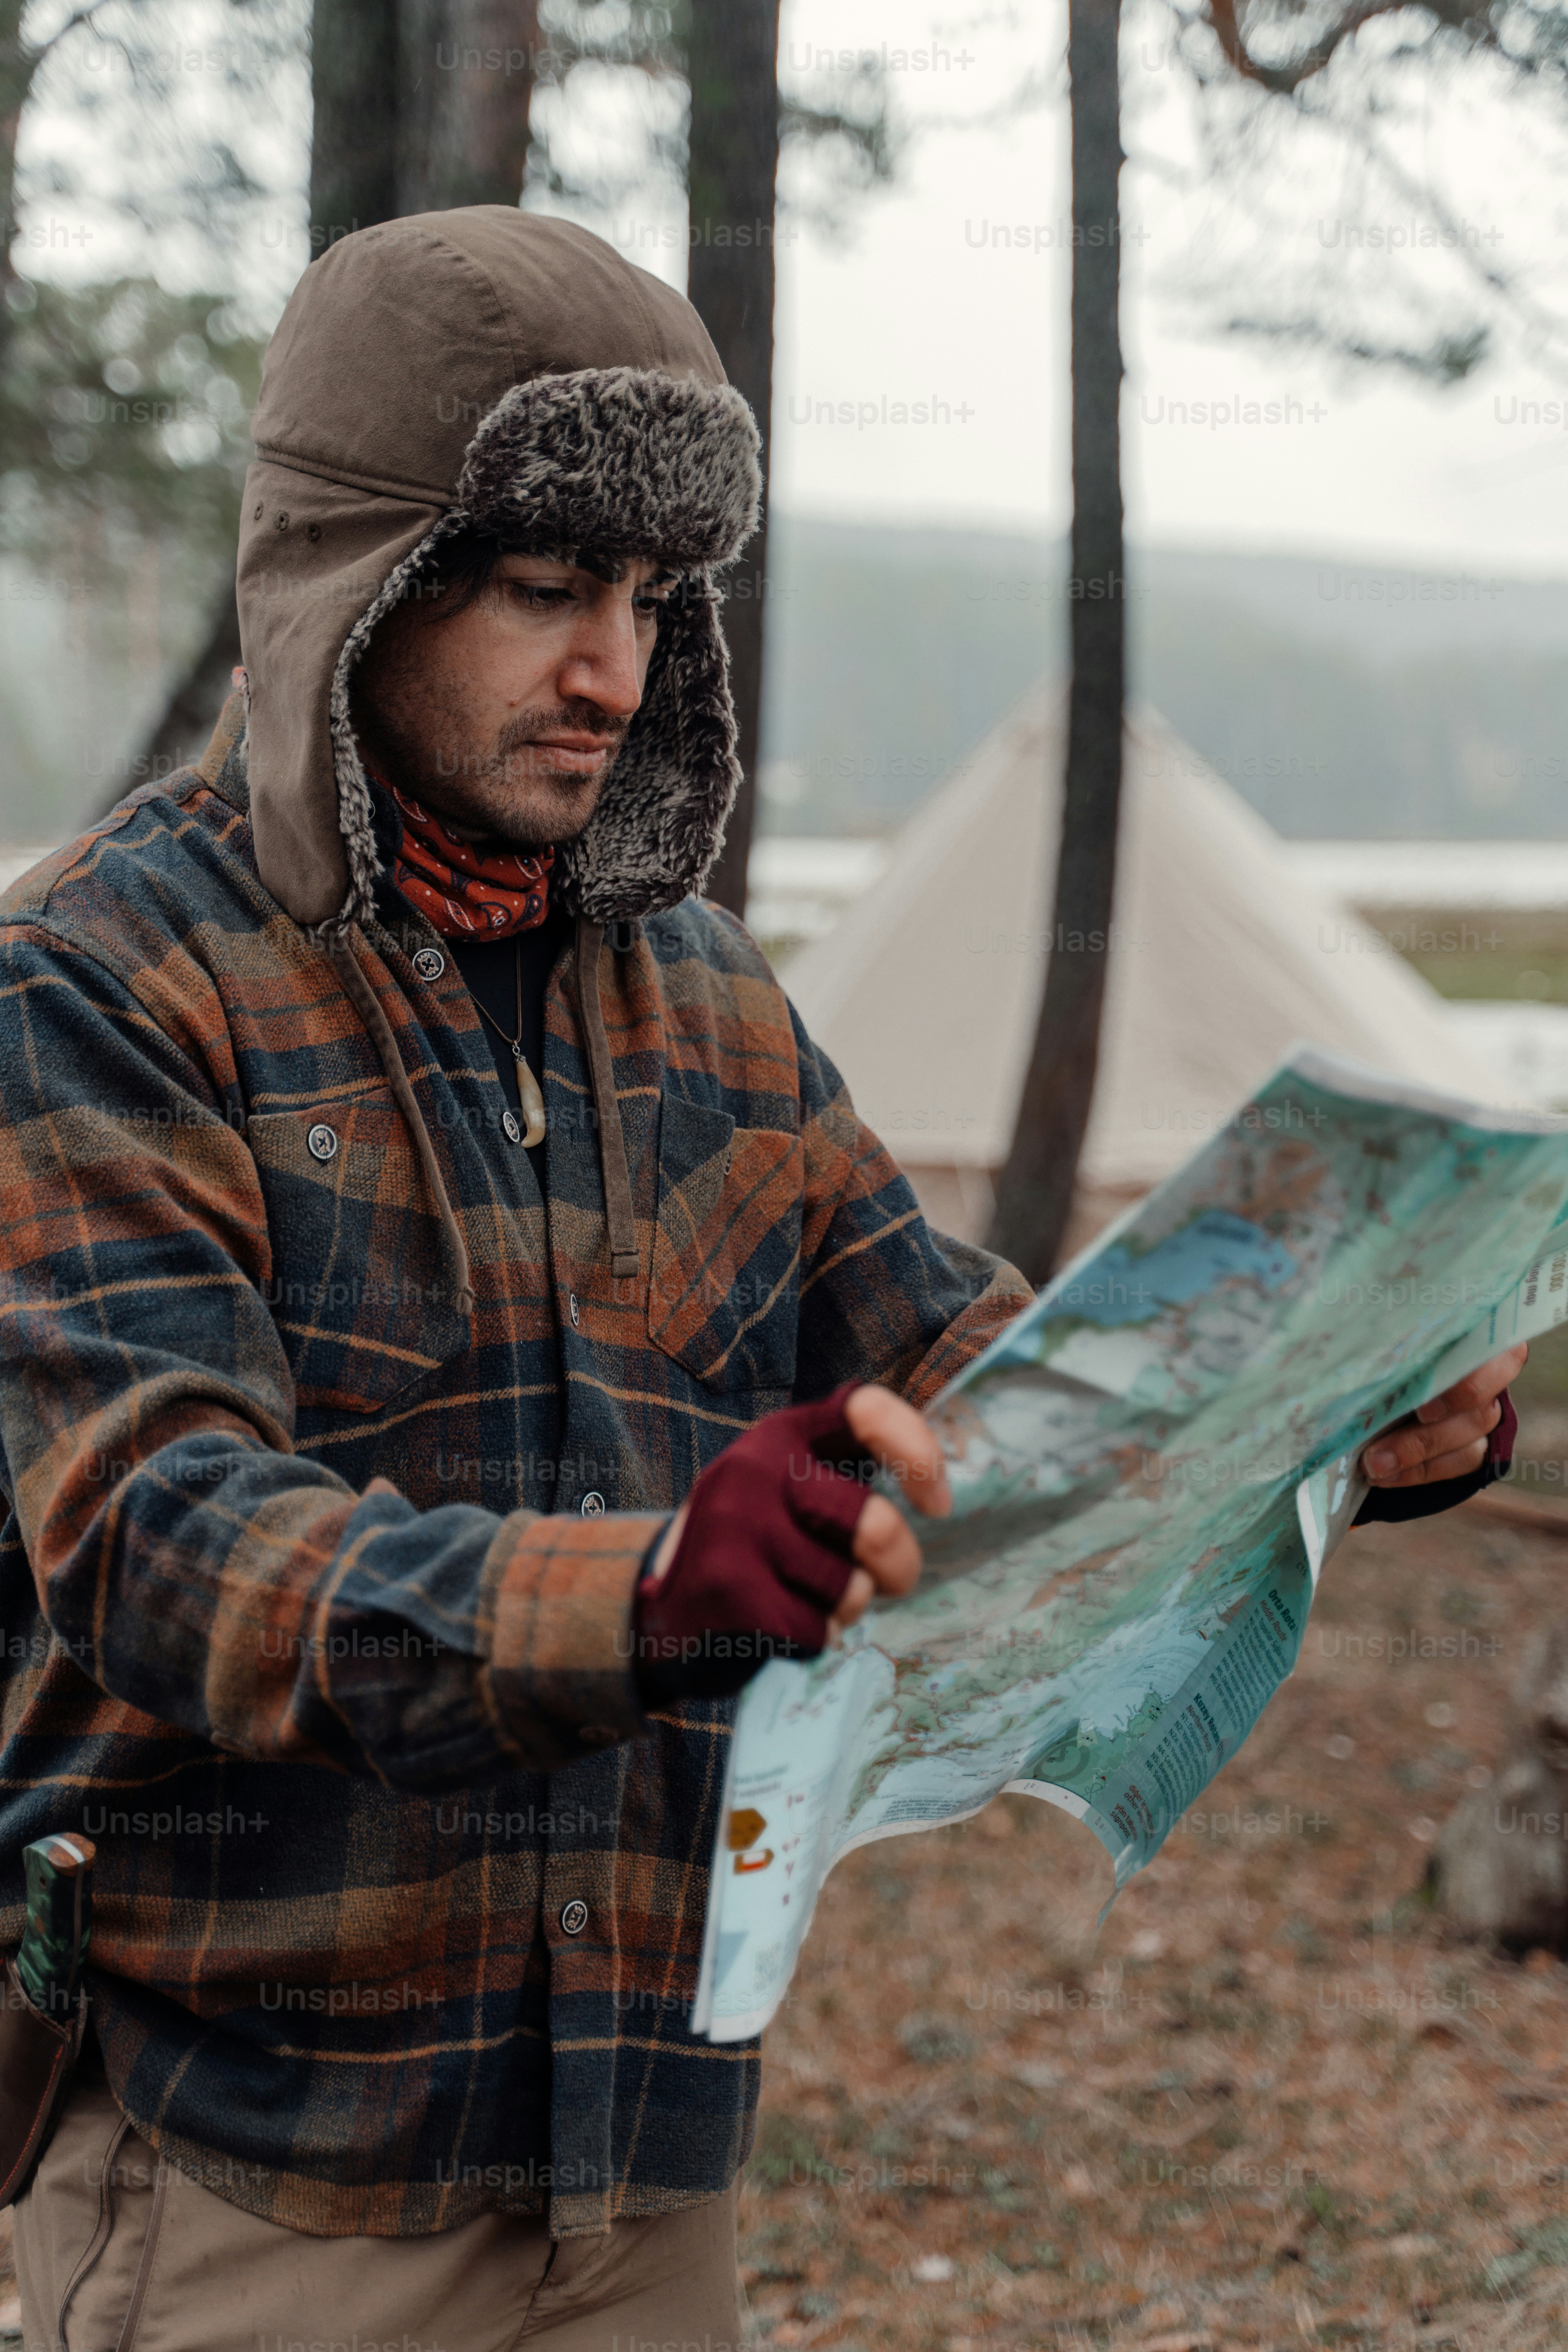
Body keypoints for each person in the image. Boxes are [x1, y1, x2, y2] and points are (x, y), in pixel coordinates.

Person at [0, 208, 1520, 2352]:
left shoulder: (703, 993)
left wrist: (1337, 1403)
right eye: (544, 589)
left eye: (644, 595)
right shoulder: (102, 982)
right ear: (352, 577)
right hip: (260, 2174)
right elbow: (163, 1547)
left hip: (649, 2166)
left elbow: (975, 1363)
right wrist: (651, 1586)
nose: (616, 670)